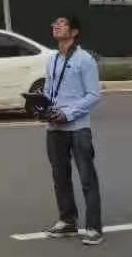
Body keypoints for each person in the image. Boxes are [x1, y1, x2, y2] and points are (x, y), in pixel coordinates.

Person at [43, 14, 103, 245]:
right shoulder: (52, 59)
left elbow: (93, 95)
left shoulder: (84, 60)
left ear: (74, 32)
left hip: (78, 128)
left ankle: (94, 227)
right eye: (55, 23)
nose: (56, 26)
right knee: (60, 177)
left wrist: (68, 113)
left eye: (62, 23)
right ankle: (67, 221)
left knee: (87, 178)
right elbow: (49, 90)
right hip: (54, 127)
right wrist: (43, 108)